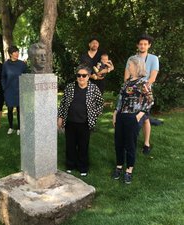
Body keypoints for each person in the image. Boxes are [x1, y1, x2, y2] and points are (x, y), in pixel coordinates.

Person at [113, 55, 154, 184]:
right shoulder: (126, 83)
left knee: (130, 145)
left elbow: (150, 100)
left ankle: (129, 170)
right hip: (121, 116)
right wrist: (115, 114)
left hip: (132, 117)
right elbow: (120, 99)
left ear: (136, 66)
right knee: (119, 143)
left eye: (130, 65)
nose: (128, 67)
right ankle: (119, 166)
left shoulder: (143, 83)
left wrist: (140, 114)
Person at [58, 64, 104, 177]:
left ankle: (83, 167)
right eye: (79, 75)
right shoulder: (70, 87)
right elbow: (63, 103)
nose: (81, 78)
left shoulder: (93, 88)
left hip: (84, 123)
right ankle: (70, 165)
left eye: (84, 75)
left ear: (88, 76)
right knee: (70, 145)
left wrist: (93, 114)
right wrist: (60, 117)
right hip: (70, 122)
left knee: (83, 146)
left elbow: (100, 104)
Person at [124, 34, 159, 154]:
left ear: (149, 45)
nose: (143, 46)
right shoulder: (131, 58)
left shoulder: (154, 58)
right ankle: (128, 142)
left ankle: (146, 143)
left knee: (145, 118)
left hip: (145, 91)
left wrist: (142, 87)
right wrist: (128, 88)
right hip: (131, 92)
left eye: (145, 44)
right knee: (130, 116)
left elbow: (153, 77)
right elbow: (126, 76)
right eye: (141, 44)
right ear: (137, 45)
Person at [2, 46, 27, 135]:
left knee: (20, 110)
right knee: (9, 109)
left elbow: (26, 77)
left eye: (17, 52)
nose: (17, 54)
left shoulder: (22, 64)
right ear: (10, 54)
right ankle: (11, 127)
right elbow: (3, 77)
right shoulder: (5, 65)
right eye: (15, 52)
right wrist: (4, 87)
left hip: (20, 90)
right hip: (9, 90)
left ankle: (20, 128)